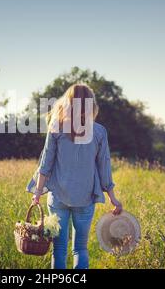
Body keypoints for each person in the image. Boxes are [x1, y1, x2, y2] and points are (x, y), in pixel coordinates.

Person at [32, 83, 123, 269]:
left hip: (58, 198)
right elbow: (104, 166)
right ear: (91, 104)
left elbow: (45, 164)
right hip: (85, 198)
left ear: (68, 102)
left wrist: (38, 192)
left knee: (58, 250)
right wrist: (113, 198)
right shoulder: (99, 131)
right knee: (80, 248)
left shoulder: (56, 127)